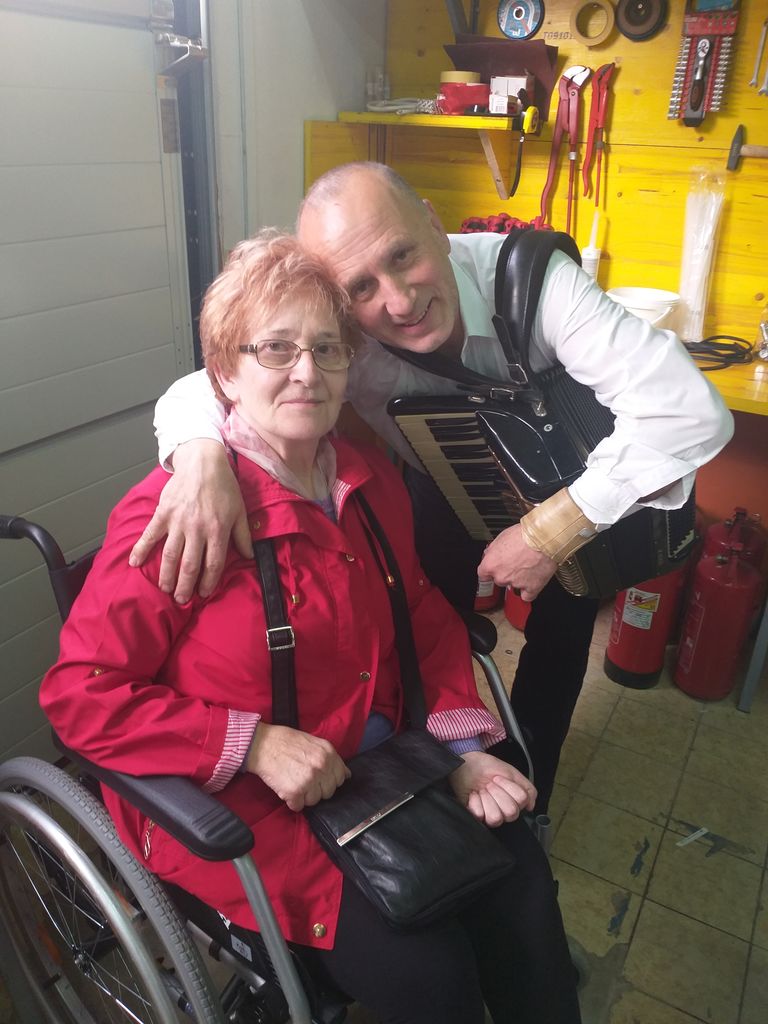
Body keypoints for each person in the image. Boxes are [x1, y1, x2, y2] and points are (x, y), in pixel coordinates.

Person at [40, 231, 581, 1024]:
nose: (307, 372)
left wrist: (461, 749)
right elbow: (79, 697)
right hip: (253, 813)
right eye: (277, 348)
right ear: (223, 373)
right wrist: (252, 744)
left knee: (525, 895)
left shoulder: (368, 479)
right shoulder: (180, 519)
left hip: (389, 767)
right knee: (432, 975)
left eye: (328, 350)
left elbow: (421, 613)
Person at [134, 163, 734, 813]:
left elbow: (692, 411)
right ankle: (444, 775)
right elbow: (221, 376)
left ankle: (527, 790)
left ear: (431, 221)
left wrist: (548, 532)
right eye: (361, 286)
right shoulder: (343, 328)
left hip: (570, 491)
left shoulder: (537, 284)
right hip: (439, 489)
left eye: (402, 255)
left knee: (558, 646)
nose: (398, 302)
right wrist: (200, 458)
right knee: (420, 632)